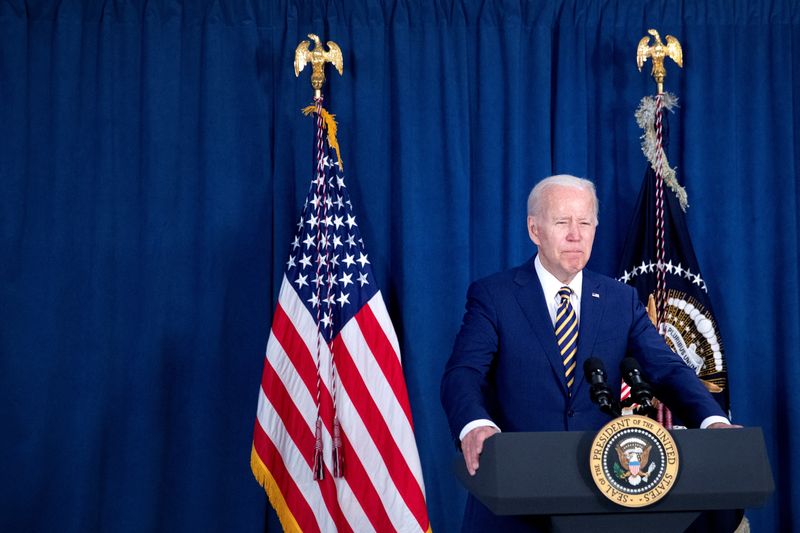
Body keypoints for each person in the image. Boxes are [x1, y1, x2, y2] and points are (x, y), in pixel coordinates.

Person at [440, 174, 739, 532]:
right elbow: (463, 373)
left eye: (585, 223)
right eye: (562, 222)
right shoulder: (495, 296)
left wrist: (713, 421)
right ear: (535, 230)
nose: (575, 235)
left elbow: (668, 370)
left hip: (598, 498)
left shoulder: (620, 300)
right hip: (512, 499)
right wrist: (475, 425)